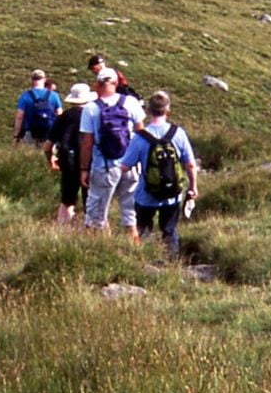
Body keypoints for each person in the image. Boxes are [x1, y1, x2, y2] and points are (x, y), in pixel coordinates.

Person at [118, 90, 199, 254]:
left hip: (145, 195)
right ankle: (171, 262)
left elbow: (124, 166)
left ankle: (142, 259)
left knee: (142, 229)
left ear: (148, 111)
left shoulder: (140, 137)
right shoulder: (178, 133)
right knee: (169, 231)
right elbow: (190, 164)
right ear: (168, 111)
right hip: (173, 194)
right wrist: (193, 187)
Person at [78, 69, 145, 234]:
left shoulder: (91, 108)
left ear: (98, 85)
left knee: (96, 213)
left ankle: (99, 248)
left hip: (105, 166)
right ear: (116, 83)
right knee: (130, 211)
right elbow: (141, 134)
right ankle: (134, 246)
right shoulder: (131, 102)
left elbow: (87, 142)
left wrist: (84, 169)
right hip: (131, 166)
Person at [53, 80, 93, 225]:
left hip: (68, 162)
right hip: (89, 162)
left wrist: (50, 159)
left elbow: (48, 145)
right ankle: (93, 232)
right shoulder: (93, 116)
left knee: (67, 200)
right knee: (91, 200)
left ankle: (63, 229)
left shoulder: (64, 117)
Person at [12, 68, 63, 172]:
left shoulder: (25, 96)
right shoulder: (53, 95)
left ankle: (31, 175)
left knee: (28, 160)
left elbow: (19, 117)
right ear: (44, 80)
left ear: (32, 80)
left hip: (30, 132)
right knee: (48, 158)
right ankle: (48, 176)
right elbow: (60, 114)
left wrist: (16, 136)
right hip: (49, 133)